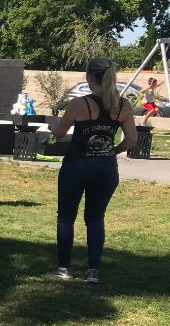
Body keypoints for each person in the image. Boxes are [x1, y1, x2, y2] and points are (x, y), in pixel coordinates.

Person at [48, 57, 137, 283]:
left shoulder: (79, 104)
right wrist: (111, 151)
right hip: (106, 168)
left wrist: (52, 126)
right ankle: (93, 272)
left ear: (89, 77)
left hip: (76, 166)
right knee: (96, 218)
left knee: (66, 218)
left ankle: (63, 269)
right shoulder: (123, 105)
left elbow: (58, 134)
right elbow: (132, 139)